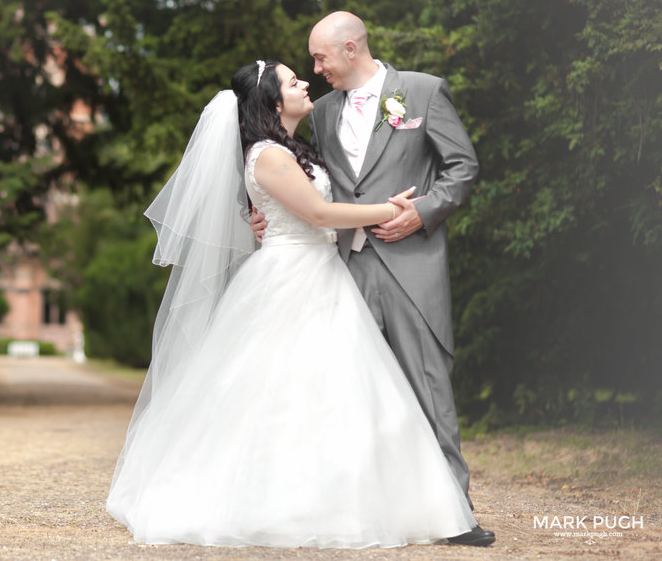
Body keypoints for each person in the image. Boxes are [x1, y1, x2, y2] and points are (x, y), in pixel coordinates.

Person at [106, 60, 477, 549]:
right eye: (292, 80)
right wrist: (395, 210)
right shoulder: (270, 155)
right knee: (279, 392)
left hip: (321, 272)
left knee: (338, 394)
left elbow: (300, 203)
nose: (307, 81)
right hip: (292, 278)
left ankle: (357, 496)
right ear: (273, 102)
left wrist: (257, 217)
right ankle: (279, 500)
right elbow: (320, 211)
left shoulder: (290, 149)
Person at [251, 12, 493, 546]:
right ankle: (376, 509)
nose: (316, 70)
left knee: (429, 386)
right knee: (356, 395)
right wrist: (263, 213)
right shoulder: (324, 112)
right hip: (342, 269)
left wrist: (423, 211)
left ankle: (456, 514)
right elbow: (310, 183)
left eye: (321, 58)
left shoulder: (423, 92)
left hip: (412, 262)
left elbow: (462, 168)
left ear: (352, 48)